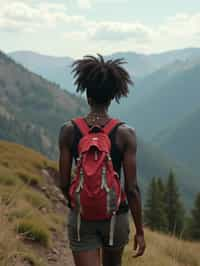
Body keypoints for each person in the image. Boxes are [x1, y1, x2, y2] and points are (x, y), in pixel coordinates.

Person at [59, 54, 146, 266]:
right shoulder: (125, 134)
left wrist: (82, 203)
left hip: (82, 219)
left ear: (87, 96)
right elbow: (132, 188)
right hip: (116, 217)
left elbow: (63, 183)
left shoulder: (69, 130)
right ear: (113, 97)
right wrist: (140, 231)